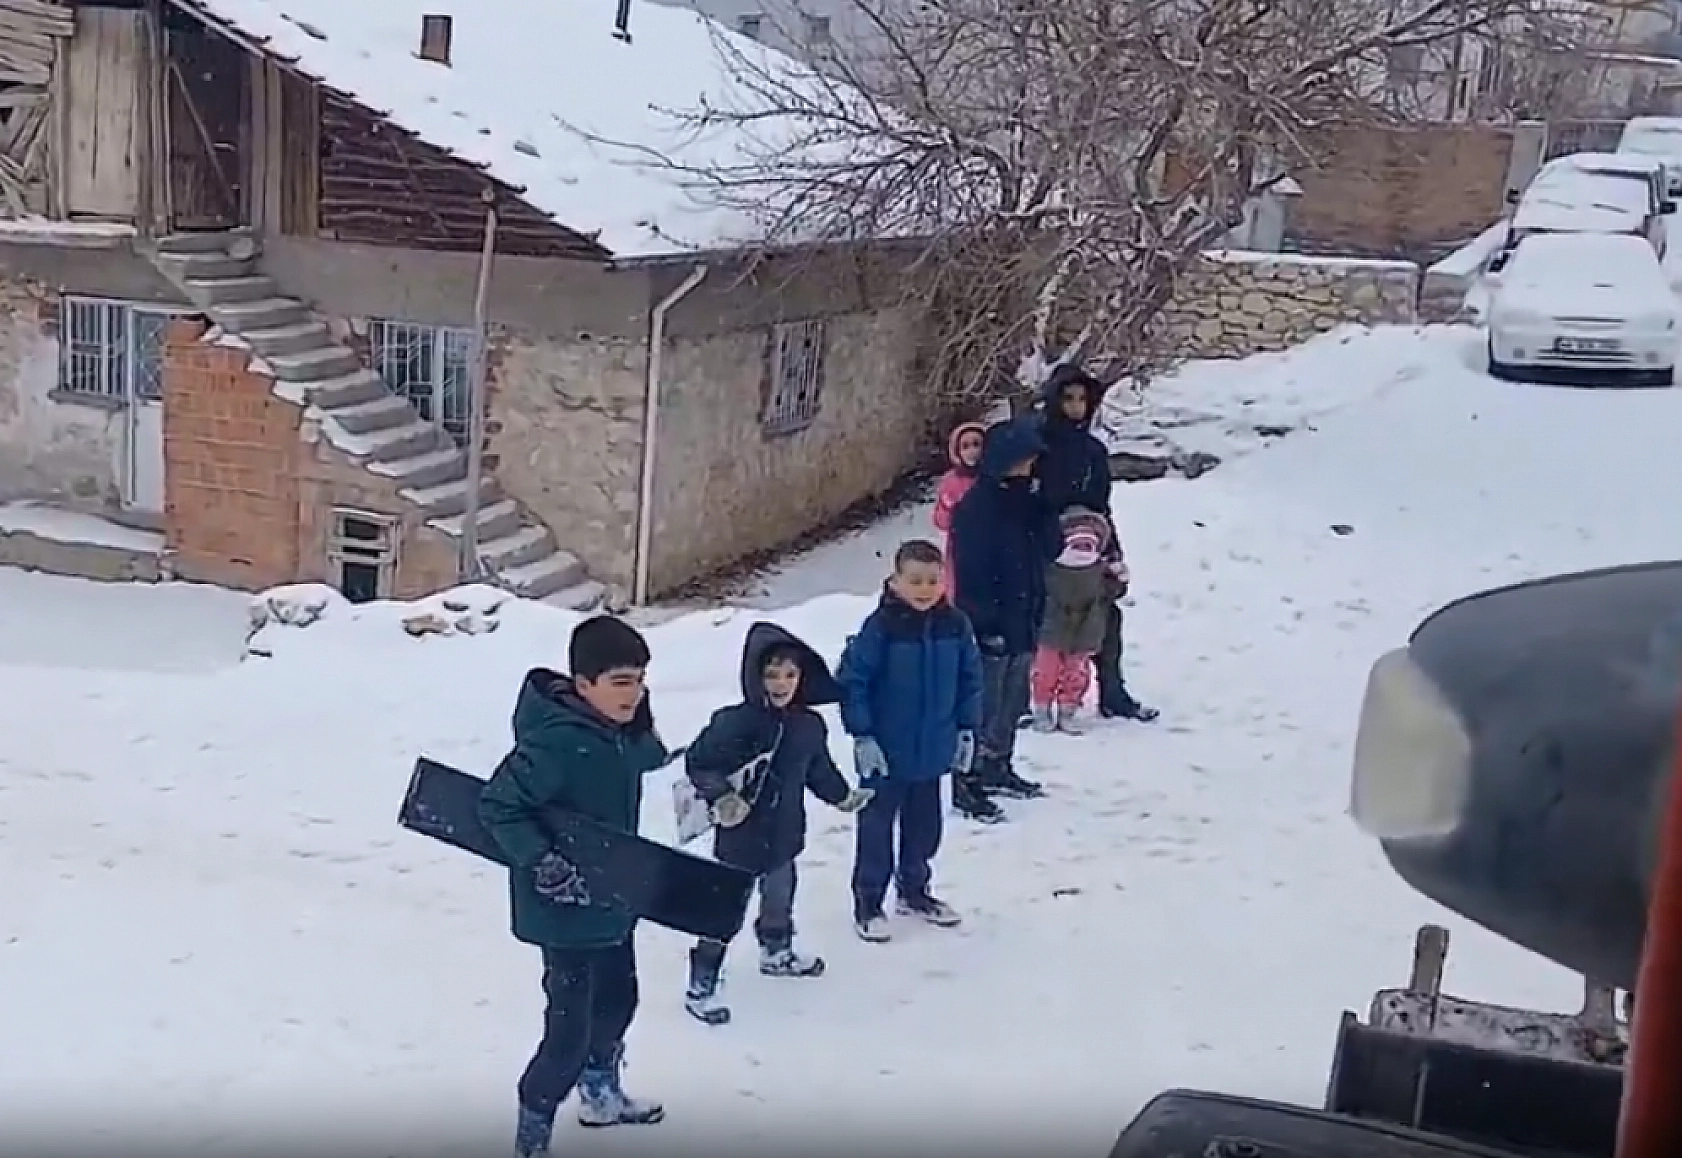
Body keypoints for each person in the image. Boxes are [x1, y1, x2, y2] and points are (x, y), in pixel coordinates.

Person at [478, 615, 670, 1158]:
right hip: (564, 910)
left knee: (620, 1001)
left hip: (613, 898)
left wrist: (639, 721)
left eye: (639, 680)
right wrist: (543, 862)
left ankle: (601, 1092)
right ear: (584, 685)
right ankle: (532, 1135)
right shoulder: (557, 743)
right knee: (568, 1034)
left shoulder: (615, 733)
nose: (633, 693)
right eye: (620, 682)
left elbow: (652, 758)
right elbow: (497, 805)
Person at [680, 622, 874, 1026]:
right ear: (754, 677)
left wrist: (841, 796)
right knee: (723, 907)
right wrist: (723, 796)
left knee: (780, 897)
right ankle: (703, 979)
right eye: (771, 674)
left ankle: (776, 950)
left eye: (790, 673)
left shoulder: (808, 725)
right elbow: (700, 763)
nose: (782, 683)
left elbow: (818, 769)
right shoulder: (734, 722)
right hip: (739, 836)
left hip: (785, 834)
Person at [837, 539, 985, 938]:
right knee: (877, 830)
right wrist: (862, 734)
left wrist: (967, 729)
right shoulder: (881, 627)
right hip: (884, 753)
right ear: (895, 581)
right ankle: (869, 902)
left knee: (925, 828)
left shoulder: (956, 625)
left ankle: (914, 890)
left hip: (933, 748)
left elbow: (970, 680)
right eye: (915, 580)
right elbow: (855, 681)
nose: (924, 589)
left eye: (932, 580)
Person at [1033, 362, 1159, 723]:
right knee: (1044, 626)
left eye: (1082, 400)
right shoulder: (1039, 445)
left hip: (1090, 546)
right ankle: (1032, 701)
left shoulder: (1093, 452)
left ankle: (1112, 694)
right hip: (1047, 548)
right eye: (1068, 398)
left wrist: (1113, 554)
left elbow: (1102, 506)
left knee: (1105, 618)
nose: (1075, 407)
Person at [949, 418, 1062, 809]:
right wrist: (982, 622)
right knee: (983, 705)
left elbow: (1052, 549)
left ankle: (999, 765)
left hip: (1024, 614)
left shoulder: (1027, 502)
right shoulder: (976, 507)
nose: (1027, 468)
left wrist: (1046, 508)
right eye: (1022, 461)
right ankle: (966, 778)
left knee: (1013, 700)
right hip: (990, 622)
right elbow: (970, 569)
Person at [1031, 508, 1127, 734]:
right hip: (1053, 628)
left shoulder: (1099, 570)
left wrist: (1119, 579)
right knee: (1047, 671)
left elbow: (1112, 591)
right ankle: (1042, 709)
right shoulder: (1052, 568)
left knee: (1075, 673)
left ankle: (1067, 710)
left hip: (1085, 629)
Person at [932, 419, 987, 597]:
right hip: (961, 546)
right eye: (965, 446)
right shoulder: (951, 482)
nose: (972, 451)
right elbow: (940, 520)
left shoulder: (994, 477)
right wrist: (950, 511)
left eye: (977, 444)